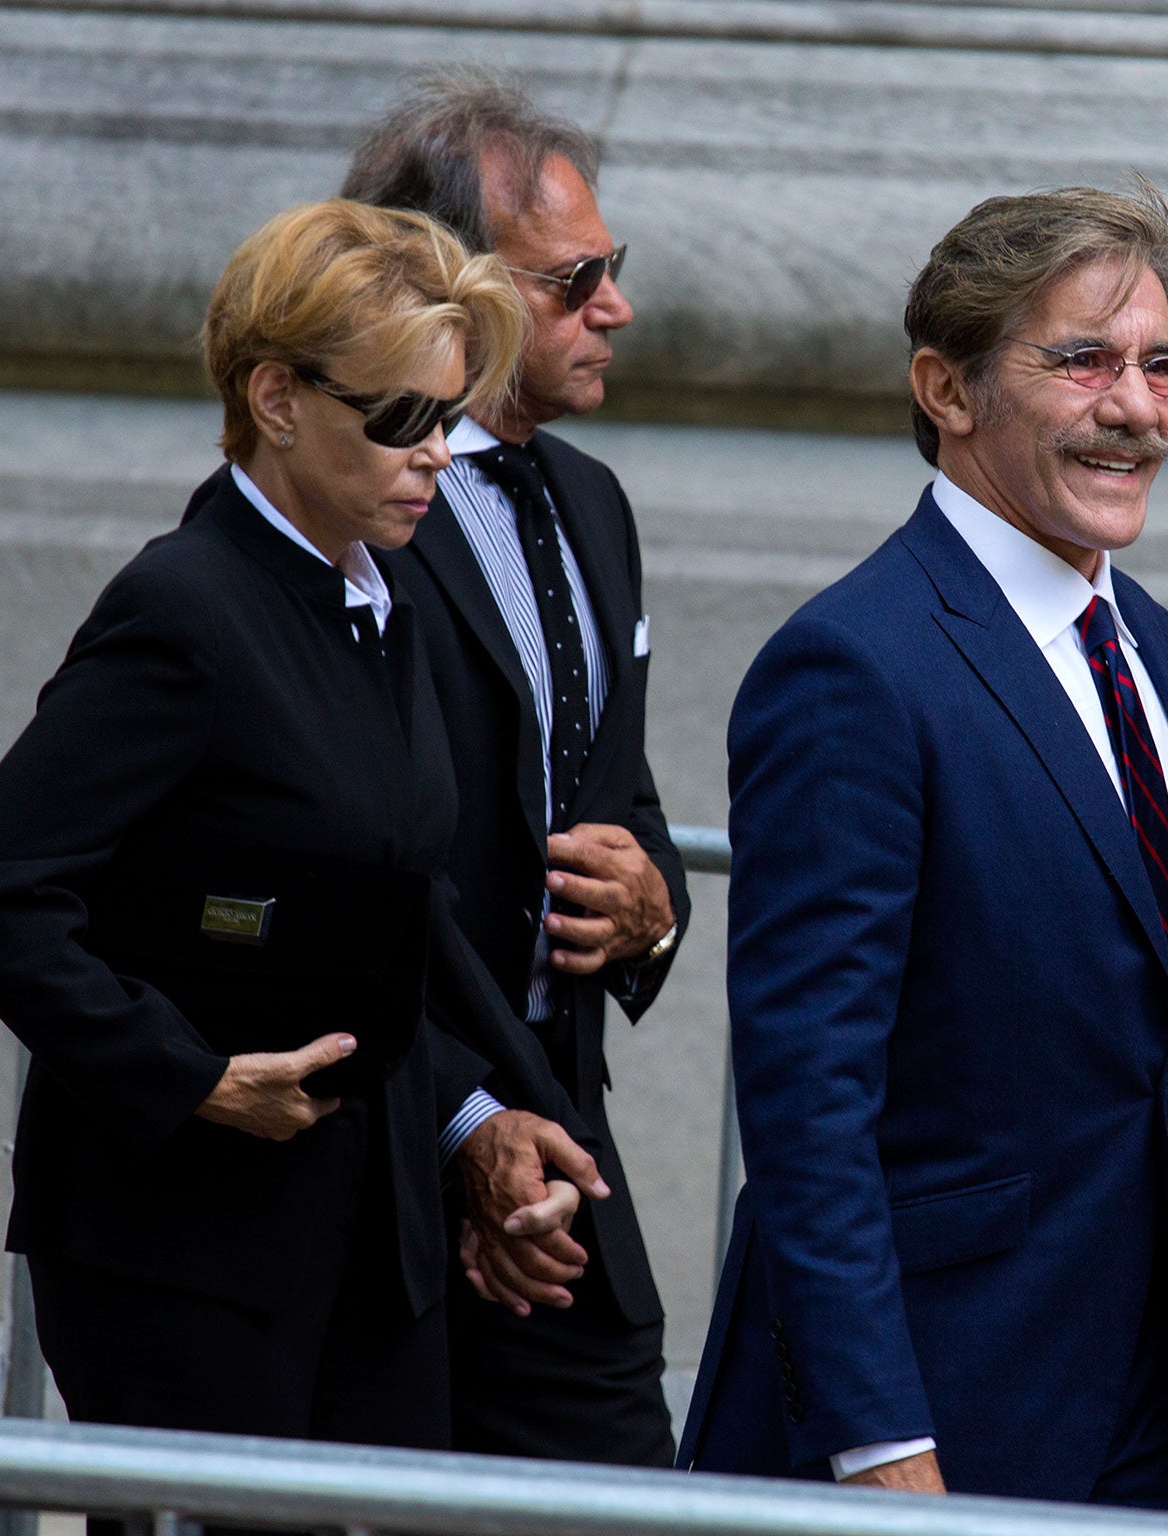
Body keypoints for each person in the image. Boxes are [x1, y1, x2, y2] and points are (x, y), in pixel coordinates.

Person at [678, 180, 1168, 1519]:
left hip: (1135, 1411)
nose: (1138, 408)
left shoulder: (1148, 642)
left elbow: (1116, 1099)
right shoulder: (853, 667)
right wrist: (877, 1449)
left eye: (1159, 366)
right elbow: (809, 1109)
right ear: (945, 389)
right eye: (1081, 360)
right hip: (929, 1427)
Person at [0, 199, 601, 1452]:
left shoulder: (382, 594)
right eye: (403, 419)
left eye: (451, 418)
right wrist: (188, 1077)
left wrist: (472, 1119)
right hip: (188, 1254)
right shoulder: (186, 606)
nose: (437, 457)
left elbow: (379, 923)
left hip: (369, 1241)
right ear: (277, 398)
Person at [337, 71, 689, 1468]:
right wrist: (462, 1119)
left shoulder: (593, 502)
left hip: (566, 1159)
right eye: (573, 280)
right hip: (393, 1173)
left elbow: (619, 790)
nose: (615, 307)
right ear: (453, 288)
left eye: (616, 270)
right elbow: (346, 865)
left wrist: (652, 906)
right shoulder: (357, 502)